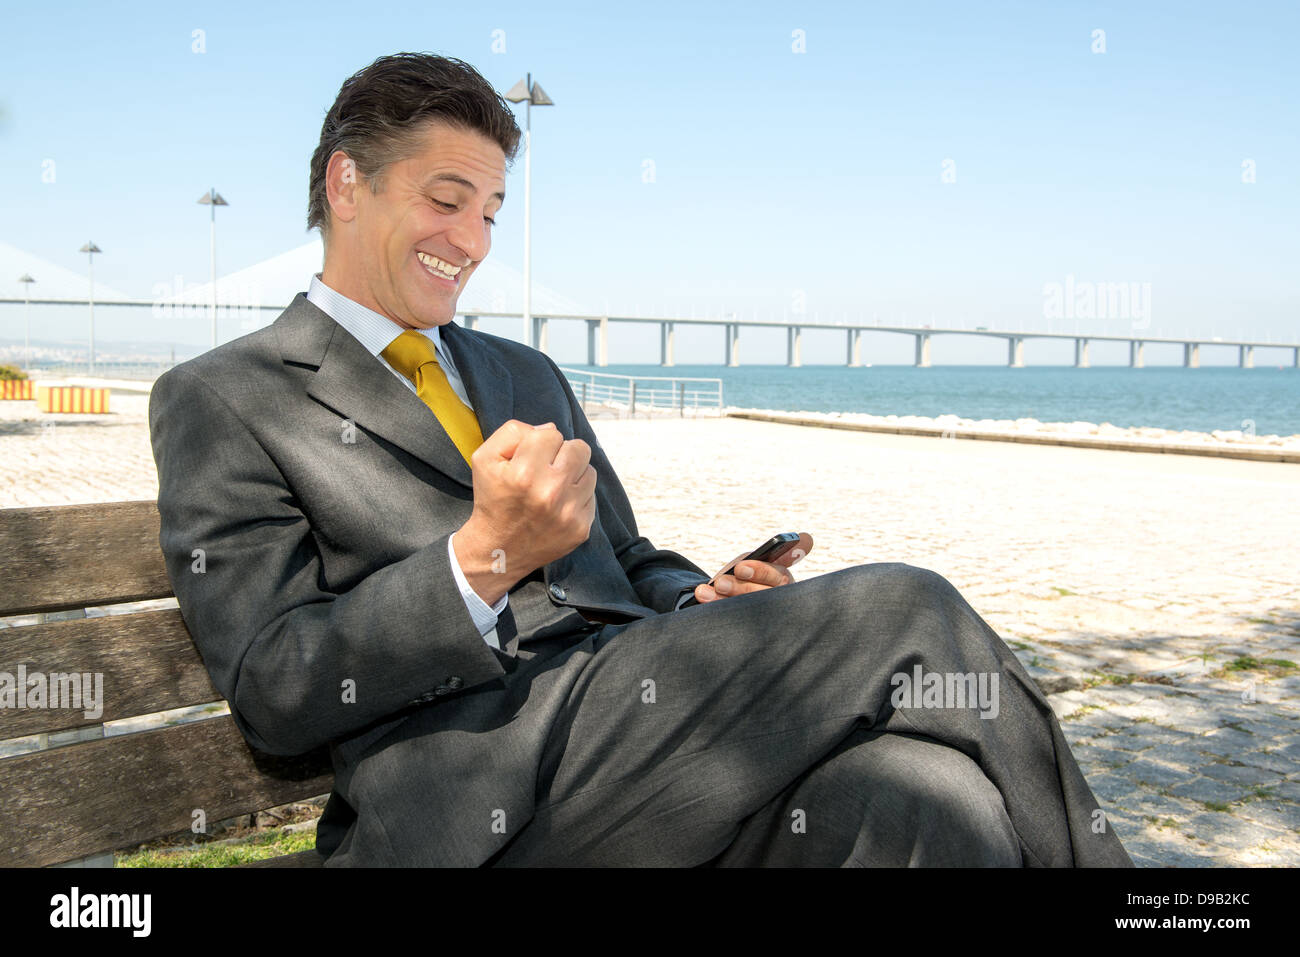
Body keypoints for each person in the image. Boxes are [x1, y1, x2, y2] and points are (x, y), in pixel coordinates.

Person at [148, 52, 1133, 867]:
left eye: (490, 210)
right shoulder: (226, 397)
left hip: (643, 742)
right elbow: (277, 689)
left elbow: (626, 554)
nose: (474, 240)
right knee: (900, 609)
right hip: (475, 797)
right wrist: (483, 558)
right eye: (448, 200)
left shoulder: (521, 370)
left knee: (926, 795)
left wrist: (695, 601)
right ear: (345, 185)